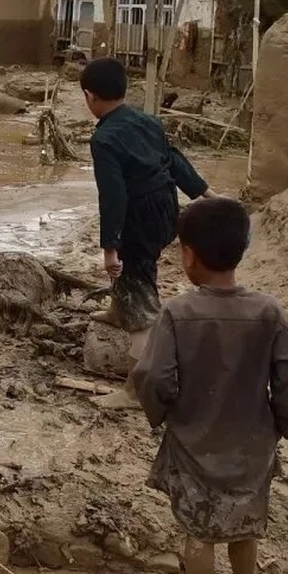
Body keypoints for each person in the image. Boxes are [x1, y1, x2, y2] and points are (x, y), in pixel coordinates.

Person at [131, 196, 288, 574]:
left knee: (199, 532)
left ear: (188, 255)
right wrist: (283, 423)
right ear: (241, 250)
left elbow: (152, 374)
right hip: (252, 444)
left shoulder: (177, 312)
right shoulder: (269, 311)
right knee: (246, 525)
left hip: (193, 442)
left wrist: (164, 413)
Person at [80, 57, 213, 409]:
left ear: (90, 97)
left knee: (136, 285)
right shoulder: (148, 121)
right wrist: (204, 192)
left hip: (137, 217)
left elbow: (113, 196)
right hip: (166, 211)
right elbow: (174, 158)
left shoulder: (104, 139)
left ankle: (134, 390)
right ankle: (117, 309)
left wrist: (110, 247)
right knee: (138, 269)